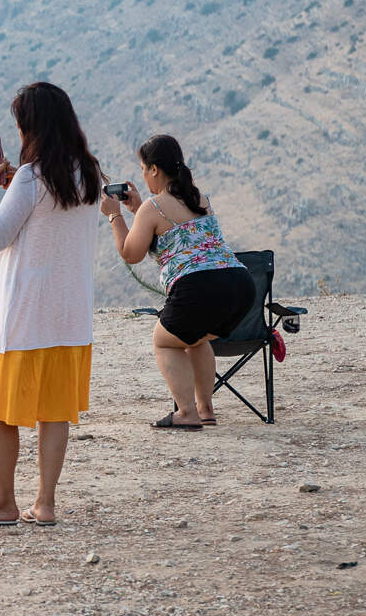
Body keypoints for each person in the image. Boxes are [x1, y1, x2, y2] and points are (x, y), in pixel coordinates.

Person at [0, 82, 101, 530]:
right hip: (69, 317)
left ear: (29, 127)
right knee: (54, 413)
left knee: (1, 412)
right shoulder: (88, 173)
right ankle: (45, 504)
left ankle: (3, 503)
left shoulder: (32, 179)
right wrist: (17, 183)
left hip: (22, 316)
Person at [101, 133, 255, 429]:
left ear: (154, 169)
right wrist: (138, 210)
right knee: (195, 339)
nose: (143, 175)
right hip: (240, 285)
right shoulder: (200, 199)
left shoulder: (153, 207)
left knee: (164, 342)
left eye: (143, 169)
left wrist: (114, 216)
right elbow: (169, 230)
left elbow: (131, 253)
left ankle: (186, 412)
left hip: (198, 288)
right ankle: (205, 409)